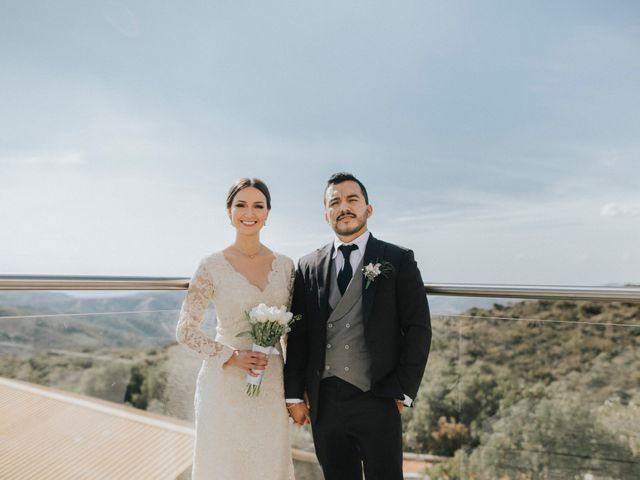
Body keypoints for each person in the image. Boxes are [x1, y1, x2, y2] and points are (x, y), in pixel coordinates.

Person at [284, 172, 432, 479]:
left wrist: (402, 391)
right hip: (324, 402)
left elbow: (418, 328)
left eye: (352, 199)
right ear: (326, 215)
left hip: (378, 397)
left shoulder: (398, 259)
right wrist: (294, 393)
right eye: (335, 202)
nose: (344, 207)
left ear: (368, 208)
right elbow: (298, 334)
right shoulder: (308, 265)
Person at [176, 178, 295, 480]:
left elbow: (292, 336)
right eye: (240, 204)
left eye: (258, 205)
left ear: (268, 213)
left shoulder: (285, 267)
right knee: (223, 465)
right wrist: (230, 356)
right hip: (224, 385)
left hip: (272, 384)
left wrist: (297, 393)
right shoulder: (211, 265)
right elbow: (186, 330)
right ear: (228, 212)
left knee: (268, 464)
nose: (249, 212)